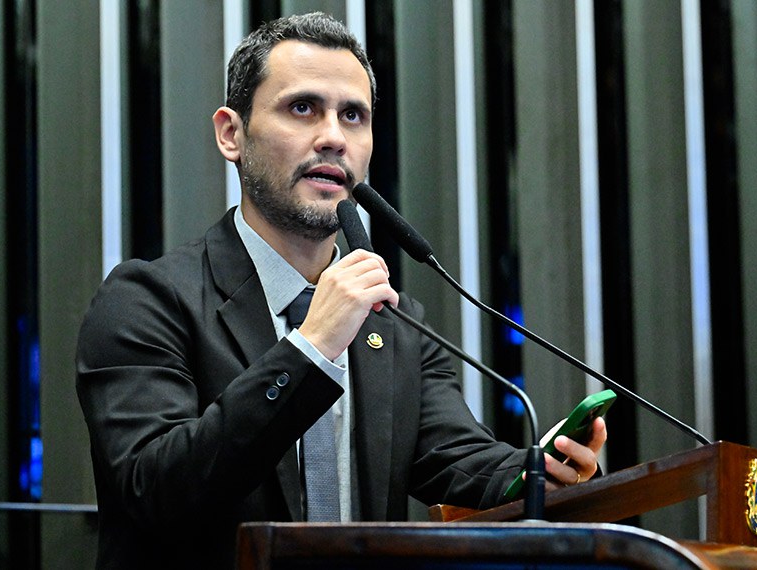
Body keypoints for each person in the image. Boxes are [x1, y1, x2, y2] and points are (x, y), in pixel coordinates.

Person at [76, 12, 607, 569]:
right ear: (232, 134)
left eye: (353, 116)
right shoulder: (145, 301)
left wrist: (539, 470)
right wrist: (311, 348)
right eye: (302, 108)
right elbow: (152, 488)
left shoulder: (392, 323)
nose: (333, 137)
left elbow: (460, 460)